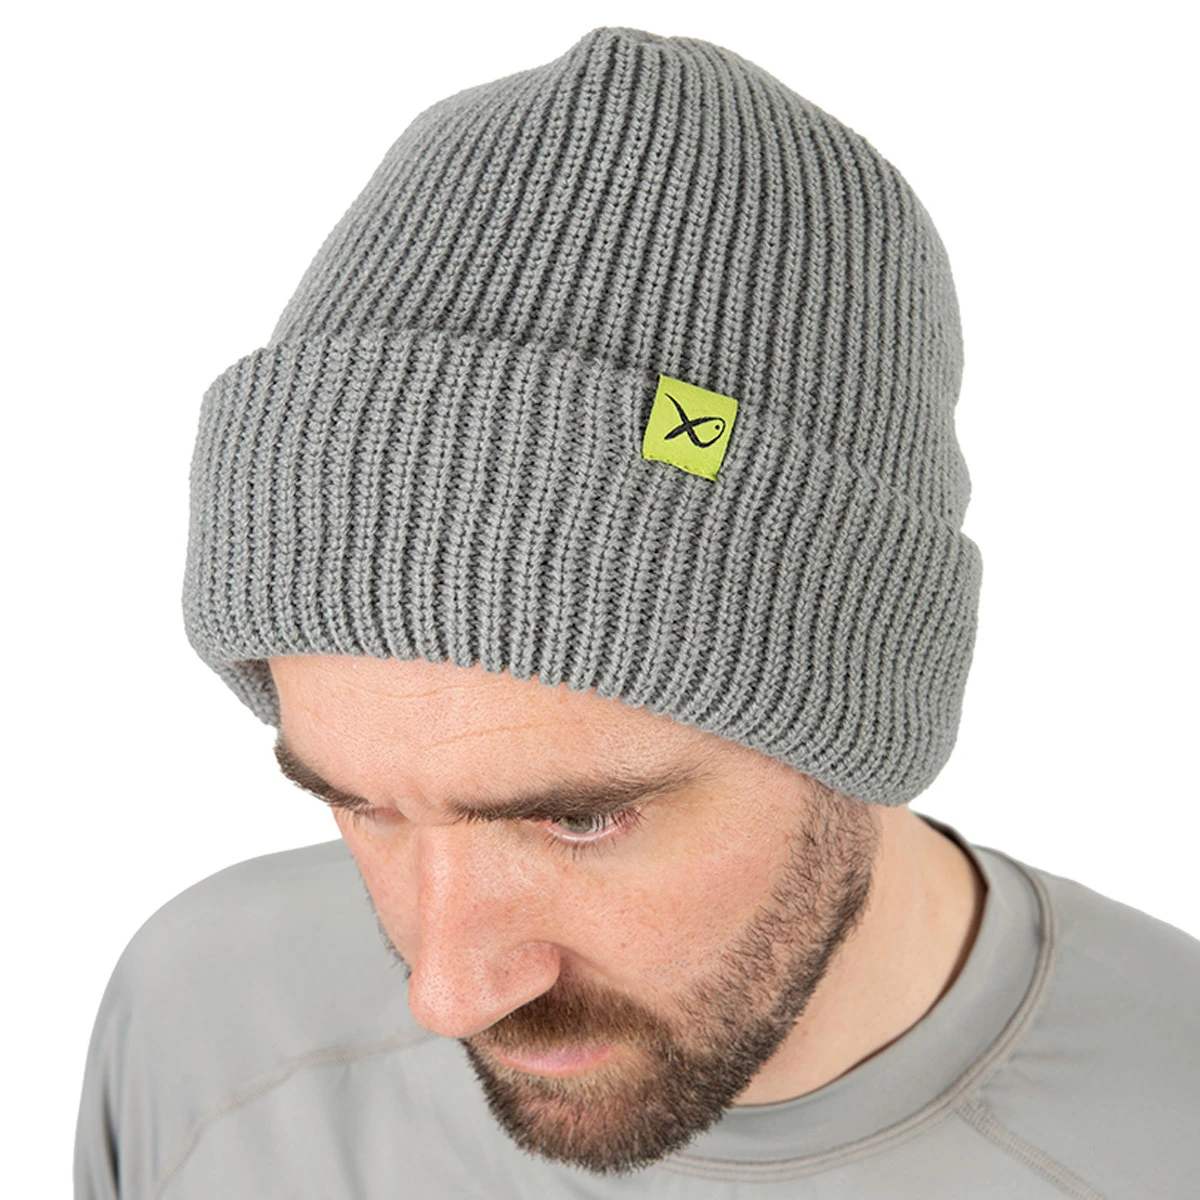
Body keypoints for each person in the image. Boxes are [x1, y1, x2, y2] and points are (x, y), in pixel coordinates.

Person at [74, 25, 1200, 1199]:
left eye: (579, 821)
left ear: (862, 709)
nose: (445, 991)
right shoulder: (202, 1027)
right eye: (363, 805)